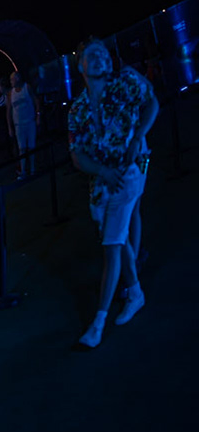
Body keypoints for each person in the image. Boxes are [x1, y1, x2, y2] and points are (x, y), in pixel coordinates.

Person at [67, 40, 157, 350]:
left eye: (104, 53)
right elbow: (77, 156)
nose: (101, 58)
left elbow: (152, 103)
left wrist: (138, 138)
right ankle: (134, 290)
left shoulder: (127, 82)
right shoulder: (77, 109)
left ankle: (98, 322)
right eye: (92, 55)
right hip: (103, 178)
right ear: (81, 66)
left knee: (113, 241)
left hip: (130, 169)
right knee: (113, 232)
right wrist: (102, 173)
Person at [7, 71, 39, 177]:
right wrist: (10, 127)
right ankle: (23, 170)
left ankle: (33, 169)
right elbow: (9, 111)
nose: (11, 82)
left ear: (17, 79)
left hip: (30, 121)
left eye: (12, 79)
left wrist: (38, 115)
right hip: (19, 124)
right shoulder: (11, 94)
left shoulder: (27, 88)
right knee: (22, 148)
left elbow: (35, 100)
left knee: (31, 146)